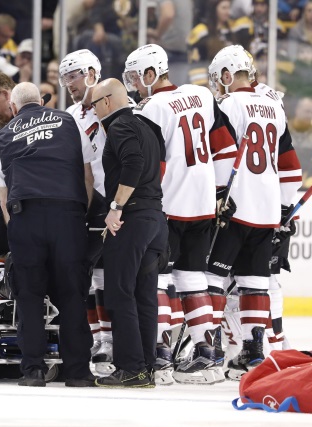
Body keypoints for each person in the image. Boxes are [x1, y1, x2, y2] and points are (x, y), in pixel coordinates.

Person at [123, 43, 239, 384]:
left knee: (157, 280)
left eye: (134, 76)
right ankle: (208, 355)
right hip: (202, 205)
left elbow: (149, 165)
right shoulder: (201, 94)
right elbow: (227, 148)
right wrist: (217, 192)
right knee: (192, 277)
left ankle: (160, 358)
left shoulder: (150, 108)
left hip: (168, 207)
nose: (132, 84)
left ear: (150, 73)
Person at [0, 82, 97, 387]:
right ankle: (78, 372)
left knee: (30, 296)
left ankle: (33, 370)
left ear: (12, 107)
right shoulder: (69, 121)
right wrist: (80, 213)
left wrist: (17, 227)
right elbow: (87, 174)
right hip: (68, 213)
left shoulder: (4, 135)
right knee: (72, 294)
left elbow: (3, 195)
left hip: (26, 215)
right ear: (42, 100)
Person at [207, 45, 302, 380]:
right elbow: (291, 167)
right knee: (254, 283)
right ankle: (253, 352)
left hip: (234, 208)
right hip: (267, 211)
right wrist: (286, 208)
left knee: (212, 280)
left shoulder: (229, 104)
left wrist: (217, 196)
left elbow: (219, 155)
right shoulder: (275, 108)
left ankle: (211, 348)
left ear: (228, 75)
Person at [91, 78, 168, 388]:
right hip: (155, 218)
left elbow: (133, 163)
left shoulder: (120, 126)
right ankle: (147, 367)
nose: (93, 110)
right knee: (145, 296)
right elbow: (159, 165)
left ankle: (131, 367)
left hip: (132, 219)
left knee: (121, 292)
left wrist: (116, 206)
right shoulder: (149, 126)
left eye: (94, 104)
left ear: (107, 101)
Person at [59, 49, 113, 373]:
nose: (69, 83)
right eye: (65, 77)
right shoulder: (69, 114)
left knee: (110, 276)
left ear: (91, 73)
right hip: (88, 200)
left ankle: (111, 339)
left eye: (73, 75)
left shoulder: (113, 102)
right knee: (90, 277)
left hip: (115, 196)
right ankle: (98, 338)